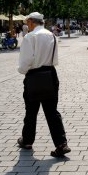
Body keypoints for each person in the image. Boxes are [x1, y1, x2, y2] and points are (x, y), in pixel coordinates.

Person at [17, 12, 70, 157]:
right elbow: (55, 59)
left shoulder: (30, 36)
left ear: (32, 22)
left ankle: (27, 141)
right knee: (52, 112)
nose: (27, 25)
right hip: (51, 74)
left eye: (28, 22)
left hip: (34, 76)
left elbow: (25, 61)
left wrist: (22, 71)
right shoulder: (51, 35)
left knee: (31, 111)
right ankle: (61, 144)